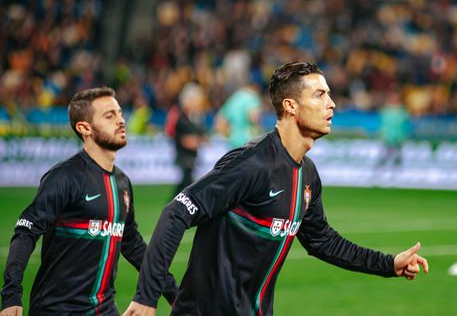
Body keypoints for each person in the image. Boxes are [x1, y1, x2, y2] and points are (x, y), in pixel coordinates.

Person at [124, 62, 429, 316]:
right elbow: (177, 212)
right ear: (290, 106)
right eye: (320, 95)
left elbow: (323, 241)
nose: (332, 103)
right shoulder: (250, 163)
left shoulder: (307, 175)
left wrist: (389, 264)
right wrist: (147, 297)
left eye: (329, 95)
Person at [0, 87, 177, 316]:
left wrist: (173, 292)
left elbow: (132, 244)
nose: (121, 121)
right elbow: (26, 232)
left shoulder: (122, 183)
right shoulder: (64, 177)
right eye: (109, 116)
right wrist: (11, 296)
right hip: (56, 311)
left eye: (120, 113)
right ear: (85, 128)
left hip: (104, 310)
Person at [168, 82, 206, 197]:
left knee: (186, 183)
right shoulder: (180, 117)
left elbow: (200, 137)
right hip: (184, 156)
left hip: (192, 156)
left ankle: (173, 205)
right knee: (187, 184)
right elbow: (185, 140)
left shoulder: (196, 117)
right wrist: (197, 141)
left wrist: (198, 140)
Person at [214, 81, 262, 148]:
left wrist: (230, 135)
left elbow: (220, 120)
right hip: (248, 143)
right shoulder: (252, 97)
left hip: (233, 144)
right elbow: (254, 117)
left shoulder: (234, 98)